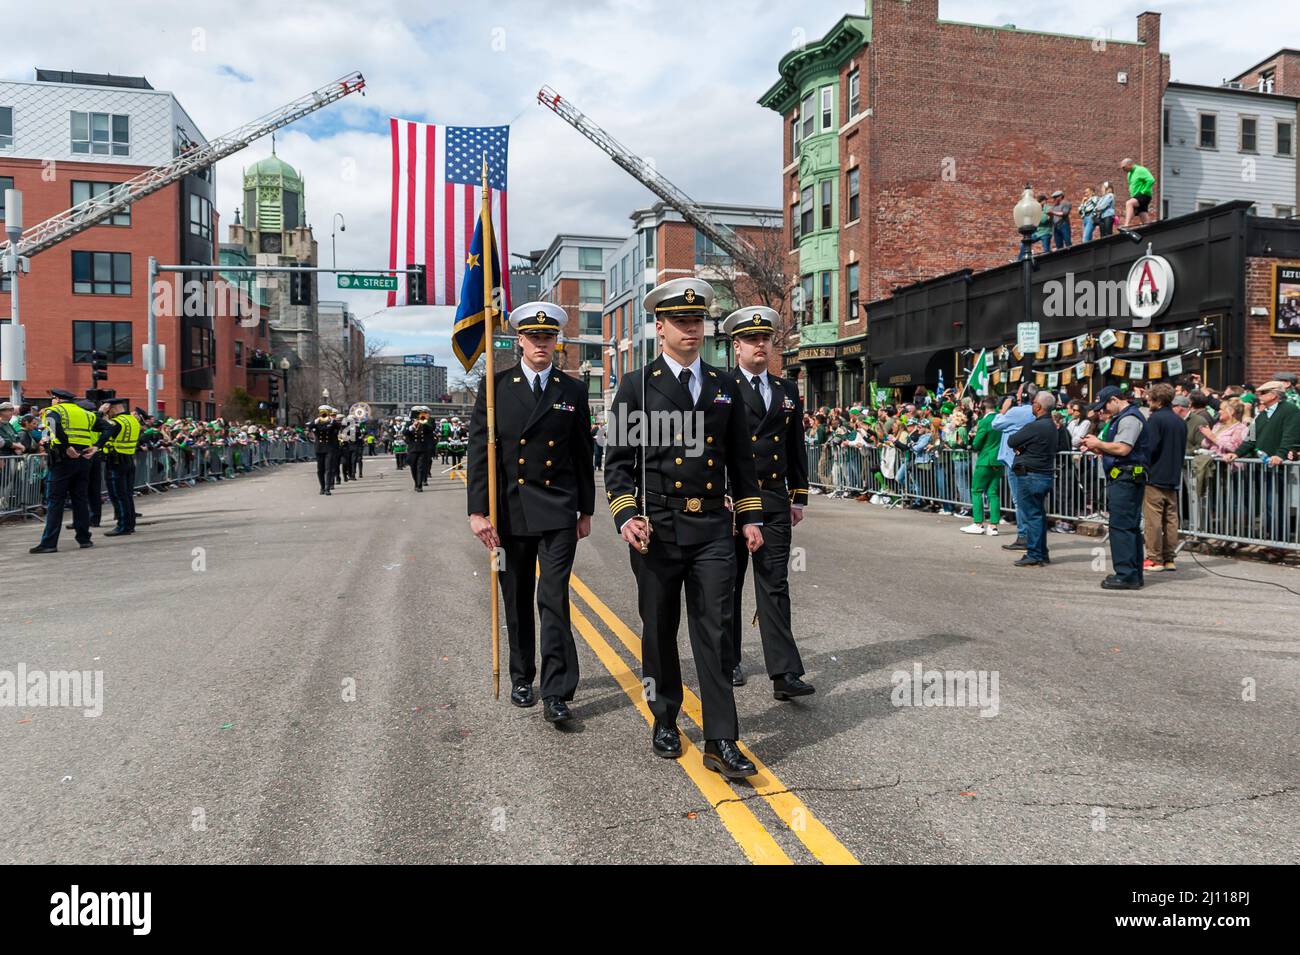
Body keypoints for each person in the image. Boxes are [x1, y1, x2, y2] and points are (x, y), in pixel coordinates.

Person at [604, 277, 764, 779]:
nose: (691, 329)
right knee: (659, 629)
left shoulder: (724, 386)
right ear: (660, 327)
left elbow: (741, 459)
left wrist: (751, 515)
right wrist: (627, 515)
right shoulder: (636, 384)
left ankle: (721, 739)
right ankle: (665, 717)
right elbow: (617, 462)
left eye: (697, 321)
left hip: (713, 527)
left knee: (715, 632)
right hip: (659, 526)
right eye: (680, 322)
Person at [467, 301, 595, 726]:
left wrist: (586, 509)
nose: (541, 343)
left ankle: (557, 690)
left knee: (552, 599)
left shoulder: (571, 390)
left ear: (556, 342)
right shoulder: (495, 387)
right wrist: (478, 512)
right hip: (509, 512)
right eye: (534, 336)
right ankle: (523, 676)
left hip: (558, 511)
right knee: (517, 597)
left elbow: (581, 454)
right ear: (519, 339)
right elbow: (480, 453)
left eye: (549, 336)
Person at [721, 305, 813, 700]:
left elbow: (796, 447)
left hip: (773, 497)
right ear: (736, 345)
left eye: (766, 339)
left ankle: (785, 672)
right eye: (752, 339)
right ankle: (729, 660)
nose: (761, 345)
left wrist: (798, 496)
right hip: (730, 501)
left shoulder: (786, 390)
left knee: (775, 583)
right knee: (726, 585)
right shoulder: (719, 385)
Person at [1081, 386, 1151, 590]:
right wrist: (1099, 447)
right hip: (1126, 477)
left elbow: (1123, 448)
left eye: (1105, 406)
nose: (1103, 411)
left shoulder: (1129, 418)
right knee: (1128, 526)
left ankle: (1126, 574)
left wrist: (1099, 443)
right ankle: (1132, 573)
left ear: (1114, 399)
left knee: (1121, 526)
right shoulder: (1124, 417)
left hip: (1126, 478)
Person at [30, 389, 111, 554]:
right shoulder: (85, 413)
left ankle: (49, 543)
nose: (51, 401)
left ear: (58, 399)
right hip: (83, 459)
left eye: (52, 398)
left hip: (62, 460)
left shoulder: (54, 411)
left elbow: (54, 425)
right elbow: (109, 429)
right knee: (80, 500)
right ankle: (84, 539)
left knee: (55, 502)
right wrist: (97, 446)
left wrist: (67, 447)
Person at [1222, 380, 1300, 540]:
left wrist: (1281, 454)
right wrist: (1236, 453)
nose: (1260, 396)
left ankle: (1278, 542)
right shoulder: (1262, 414)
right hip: (1261, 466)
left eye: (1263, 393)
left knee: (1275, 505)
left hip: (1277, 467)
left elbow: (1290, 436)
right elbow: (1250, 439)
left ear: (1274, 394)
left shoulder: (1290, 410)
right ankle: (1272, 540)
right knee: (1267, 505)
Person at [1006, 392, 1059, 566]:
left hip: (1031, 475)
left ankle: (1035, 554)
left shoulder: (1036, 426)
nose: (1032, 406)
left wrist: (1022, 446)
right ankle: (1041, 552)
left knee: (1032, 516)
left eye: (1034, 403)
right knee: (1038, 515)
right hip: (1042, 474)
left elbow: (1012, 440)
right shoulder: (1051, 425)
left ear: (1038, 406)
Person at [1140, 383, 1185, 572]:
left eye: (1150, 399)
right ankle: (1169, 558)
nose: (1148, 402)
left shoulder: (1155, 420)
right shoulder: (1180, 421)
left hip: (1155, 475)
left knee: (1153, 521)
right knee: (1171, 520)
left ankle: (1154, 558)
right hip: (1174, 476)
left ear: (1157, 400)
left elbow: (1149, 448)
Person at [993, 387, 1037, 551]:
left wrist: (1004, 410)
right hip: (1025, 460)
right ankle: (1029, 537)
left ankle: (1024, 537)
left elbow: (995, 424)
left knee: (1020, 501)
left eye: (1018, 393)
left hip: (1015, 461)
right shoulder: (1031, 412)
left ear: (1025, 396)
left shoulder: (1017, 412)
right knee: (1028, 501)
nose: (1015, 396)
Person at [100, 396, 141, 537]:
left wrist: (100, 414)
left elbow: (100, 431)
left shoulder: (116, 422)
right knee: (127, 495)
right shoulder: (133, 420)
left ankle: (123, 525)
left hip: (115, 461)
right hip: (129, 459)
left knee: (118, 495)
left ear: (111, 408)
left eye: (108, 410)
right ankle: (130, 524)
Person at [962, 396, 1003, 536]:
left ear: (983, 408)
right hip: (998, 460)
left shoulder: (984, 421)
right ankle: (993, 526)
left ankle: (978, 523)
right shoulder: (1001, 419)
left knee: (976, 490)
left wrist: (972, 441)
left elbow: (977, 444)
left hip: (985, 459)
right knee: (993, 493)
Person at [305, 405, 341, 495]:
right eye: (322, 412)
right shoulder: (316, 423)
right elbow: (308, 429)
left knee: (328, 468)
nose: (324, 414)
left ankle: (327, 488)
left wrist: (331, 419)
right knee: (320, 469)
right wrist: (315, 421)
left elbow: (338, 426)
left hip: (329, 448)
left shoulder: (333, 423)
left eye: (325, 412)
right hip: (319, 448)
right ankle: (322, 487)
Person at [404, 407, 436, 491]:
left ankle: (419, 485)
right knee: (413, 467)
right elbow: (405, 432)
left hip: (422, 449)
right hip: (412, 449)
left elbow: (431, 430)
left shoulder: (424, 423)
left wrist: (423, 422)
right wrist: (412, 426)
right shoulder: (409, 423)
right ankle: (416, 482)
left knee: (420, 467)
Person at [1119, 158, 1155, 228]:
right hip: (1136, 196)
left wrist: (1144, 191)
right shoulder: (1129, 174)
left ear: (1129, 164)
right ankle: (1148, 229)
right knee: (1142, 213)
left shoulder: (1140, 170)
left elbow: (1151, 180)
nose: (1123, 170)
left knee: (1129, 203)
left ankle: (1126, 225)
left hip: (1144, 194)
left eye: (1124, 167)